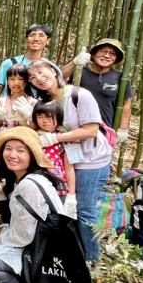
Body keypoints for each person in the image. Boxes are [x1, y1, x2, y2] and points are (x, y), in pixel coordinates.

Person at [0, 128, 72, 283]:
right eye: (8, 148)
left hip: (47, 253)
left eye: (20, 150)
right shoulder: (21, 179)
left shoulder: (29, 185)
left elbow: (23, 235)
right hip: (36, 246)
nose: (12, 155)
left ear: (32, 155)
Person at [26, 59, 113, 262]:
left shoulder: (79, 95)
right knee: (64, 212)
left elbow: (91, 130)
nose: (38, 78)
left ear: (55, 71)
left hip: (92, 160)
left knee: (84, 211)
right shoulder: (46, 101)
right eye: (32, 77)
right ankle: (72, 255)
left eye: (41, 71)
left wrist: (56, 137)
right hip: (67, 162)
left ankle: (91, 259)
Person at [62, 38, 132, 144]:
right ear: (94, 54)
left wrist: (123, 129)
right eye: (103, 51)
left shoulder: (121, 78)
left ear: (116, 59)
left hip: (104, 131)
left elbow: (126, 104)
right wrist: (74, 62)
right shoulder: (79, 73)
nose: (107, 56)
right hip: (75, 129)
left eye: (112, 53)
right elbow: (58, 77)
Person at [32, 101, 76, 203]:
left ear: (59, 116)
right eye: (40, 116)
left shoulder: (65, 138)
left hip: (56, 184)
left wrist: (71, 196)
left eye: (49, 116)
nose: (45, 121)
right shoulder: (32, 135)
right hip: (34, 183)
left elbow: (70, 169)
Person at [0, 24, 53, 97]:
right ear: (26, 39)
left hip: (35, 107)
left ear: (48, 40)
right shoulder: (9, 63)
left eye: (41, 35)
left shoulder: (49, 67)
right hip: (6, 106)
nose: (36, 38)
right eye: (32, 35)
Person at [0, 64, 36, 132]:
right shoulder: (1, 102)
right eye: (12, 79)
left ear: (27, 81)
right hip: (4, 139)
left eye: (20, 79)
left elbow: (35, 128)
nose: (16, 83)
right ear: (7, 81)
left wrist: (26, 121)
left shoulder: (33, 103)